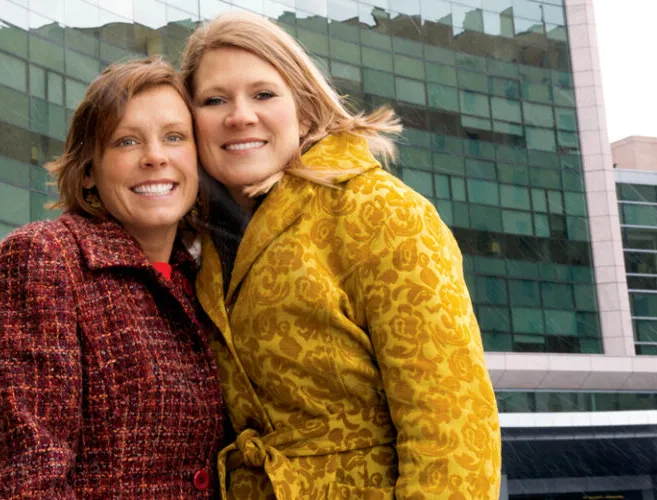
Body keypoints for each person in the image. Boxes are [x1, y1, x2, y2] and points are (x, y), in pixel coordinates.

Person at [180, 12, 502, 499]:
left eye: (264, 94)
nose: (239, 115)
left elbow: (453, 430)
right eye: (214, 100)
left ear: (305, 109)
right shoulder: (200, 245)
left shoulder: (382, 214)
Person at [0, 57, 225, 498]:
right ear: (89, 170)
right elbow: (24, 481)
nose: (155, 157)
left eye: (175, 137)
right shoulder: (45, 259)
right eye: (127, 141)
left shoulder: (204, 281)